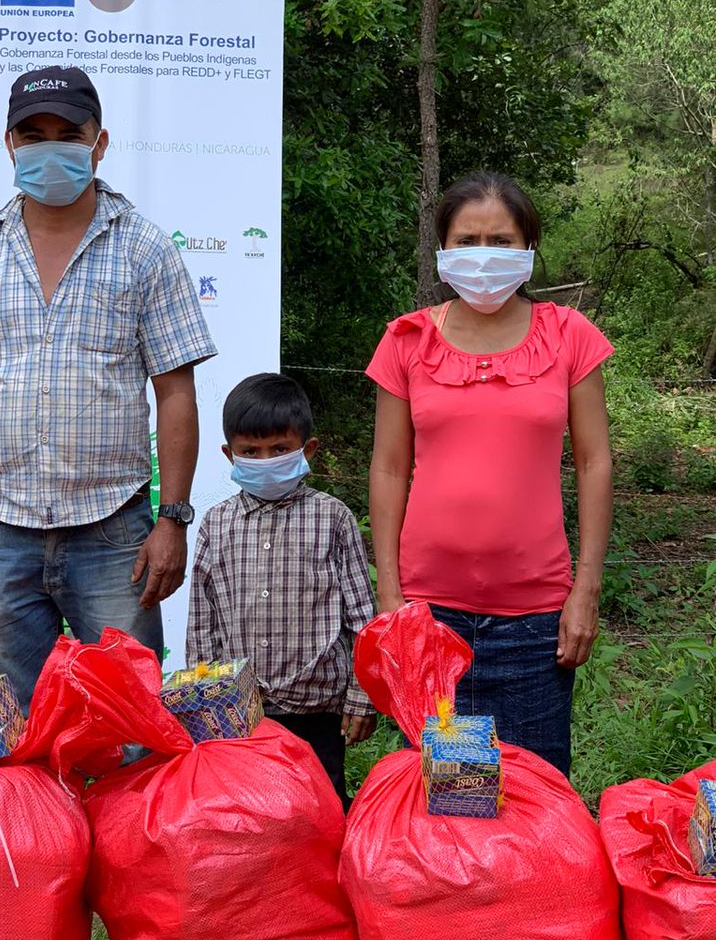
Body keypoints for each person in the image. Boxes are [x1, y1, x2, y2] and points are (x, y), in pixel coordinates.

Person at [0, 66, 217, 711]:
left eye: (68, 133)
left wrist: (172, 520)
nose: (50, 147)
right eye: (34, 135)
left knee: (131, 723)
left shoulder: (145, 250)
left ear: (98, 143)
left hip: (114, 533)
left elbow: (175, 391)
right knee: (9, 725)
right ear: (10, 145)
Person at [367, 171, 613, 777]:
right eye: (467, 240)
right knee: (438, 798)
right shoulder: (406, 340)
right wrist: (391, 597)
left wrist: (585, 589)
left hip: (536, 621)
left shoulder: (570, 336)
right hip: (428, 616)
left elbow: (594, 463)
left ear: (529, 247)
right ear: (443, 248)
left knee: (534, 793)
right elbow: (389, 469)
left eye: (500, 241)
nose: (483, 256)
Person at [186, 372, 377, 808]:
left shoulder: (333, 519)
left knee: (320, 810)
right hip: (241, 711)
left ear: (307, 449)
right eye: (250, 452)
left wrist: (362, 697)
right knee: (250, 815)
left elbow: (362, 619)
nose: (265, 460)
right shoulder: (216, 524)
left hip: (317, 709)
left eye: (279, 449)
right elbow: (203, 621)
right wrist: (204, 699)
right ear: (229, 454)